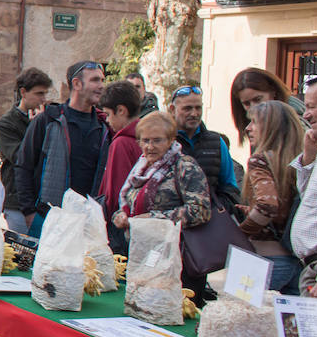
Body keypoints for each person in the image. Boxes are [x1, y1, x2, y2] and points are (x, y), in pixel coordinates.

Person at [15, 60, 108, 235]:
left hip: (87, 223)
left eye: (102, 80)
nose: (101, 86)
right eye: (95, 80)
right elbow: (23, 166)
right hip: (49, 219)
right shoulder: (48, 120)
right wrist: (29, 212)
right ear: (77, 84)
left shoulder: (103, 127)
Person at [112, 114, 212, 269]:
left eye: (157, 140)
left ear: (171, 140)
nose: (150, 147)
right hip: (142, 253)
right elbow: (129, 203)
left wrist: (153, 219)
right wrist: (120, 216)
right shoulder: (141, 168)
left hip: (175, 258)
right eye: (145, 140)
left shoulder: (185, 166)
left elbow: (200, 210)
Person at [237, 100, 306, 293]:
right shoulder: (300, 162)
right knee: (287, 323)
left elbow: (268, 205)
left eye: (254, 123)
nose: (248, 128)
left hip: (263, 262)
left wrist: (241, 233)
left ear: (270, 128)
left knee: (242, 319)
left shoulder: (260, 160)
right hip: (295, 262)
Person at [0, 67, 53, 233]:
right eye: (38, 94)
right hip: (18, 200)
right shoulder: (6, 123)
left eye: (45, 94)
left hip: (43, 198)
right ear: (23, 92)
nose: (43, 99)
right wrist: (35, 128)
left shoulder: (48, 118)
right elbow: (20, 156)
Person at [171, 85, 241, 213]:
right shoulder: (163, 142)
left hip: (210, 222)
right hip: (172, 223)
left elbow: (230, 187)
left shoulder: (217, 142)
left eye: (198, 108)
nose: (194, 113)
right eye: (187, 108)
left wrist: (216, 209)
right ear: (172, 109)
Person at [290, 75, 317, 298]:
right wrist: (309, 158)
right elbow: (311, 201)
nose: (306, 114)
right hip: (314, 266)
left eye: (312, 107)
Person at [97, 80, 145, 222]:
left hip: (121, 221)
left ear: (121, 110)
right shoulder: (148, 138)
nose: (107, 120)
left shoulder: (121, 143)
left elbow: (115, 192)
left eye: (108, 114)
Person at [231, 67, 306, 145]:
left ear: (273, 92)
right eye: (247, 103)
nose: (253, 108)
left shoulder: (292, 123)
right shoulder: (257, 125)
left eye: (257, 99)